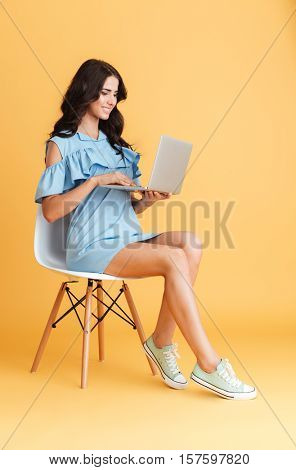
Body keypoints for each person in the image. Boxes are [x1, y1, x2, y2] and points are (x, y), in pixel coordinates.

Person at [34, 58, 256, 400]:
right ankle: (209, 364)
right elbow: (50, 212)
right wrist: (95, 180)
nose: (111, 101)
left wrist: (148, 200)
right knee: (170, 258)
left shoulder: (117, 148)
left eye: (116, 95)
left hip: (126, 239)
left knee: (191, 244)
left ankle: (162, 343)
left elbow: (127, 210)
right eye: (105, 92)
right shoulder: (61, 145)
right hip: (91, 246)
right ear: (86, 91)